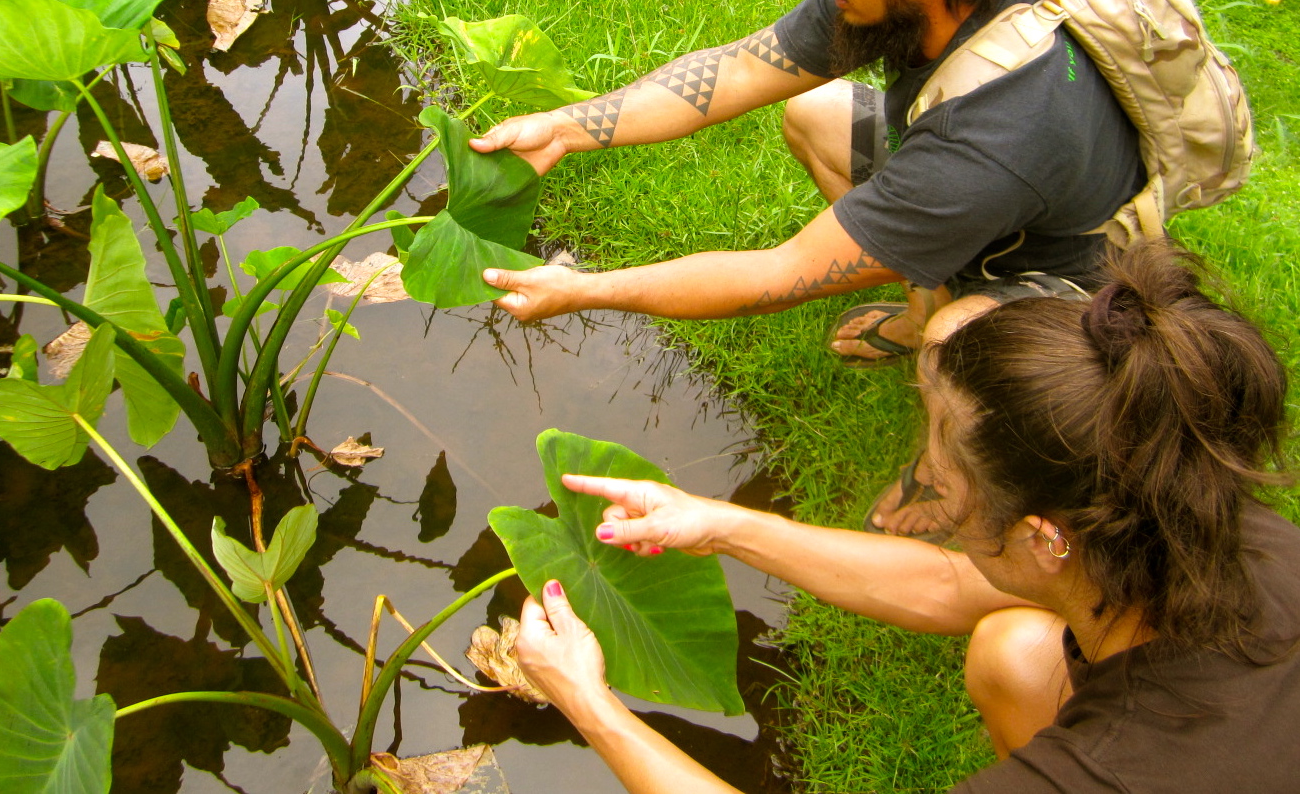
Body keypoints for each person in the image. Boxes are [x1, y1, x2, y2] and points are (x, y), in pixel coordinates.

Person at [471, 0, 1144, 535]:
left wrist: (582, 291)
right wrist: (566, 128)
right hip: (982, 195)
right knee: (816, 114)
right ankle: (920, 308)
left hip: (1069, 275)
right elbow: (736, 71)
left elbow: (772, 277)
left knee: (956, 340)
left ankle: (943, 474)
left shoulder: (994, 137)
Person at [513, 239, 1300, 792]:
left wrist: (588, 700)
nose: (927, 476)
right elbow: (955, 589)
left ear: (1041, 535)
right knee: (1014, 651)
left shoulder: (1117, 771)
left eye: (944, 470)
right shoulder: (1206, 523)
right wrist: (714, 522)